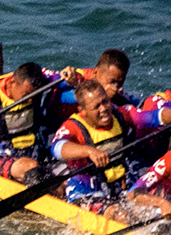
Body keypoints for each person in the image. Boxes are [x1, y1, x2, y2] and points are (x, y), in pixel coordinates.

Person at [48, 81, 145, 209]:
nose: (104, 108)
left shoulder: (122, 114)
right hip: (85, 192)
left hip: (117, 187)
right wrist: (89, 151)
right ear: (83, 110)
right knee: (118, 212)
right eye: (96, 106)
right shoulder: (73, 127)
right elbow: (56, 148)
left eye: (105, 101)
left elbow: (154, 116)